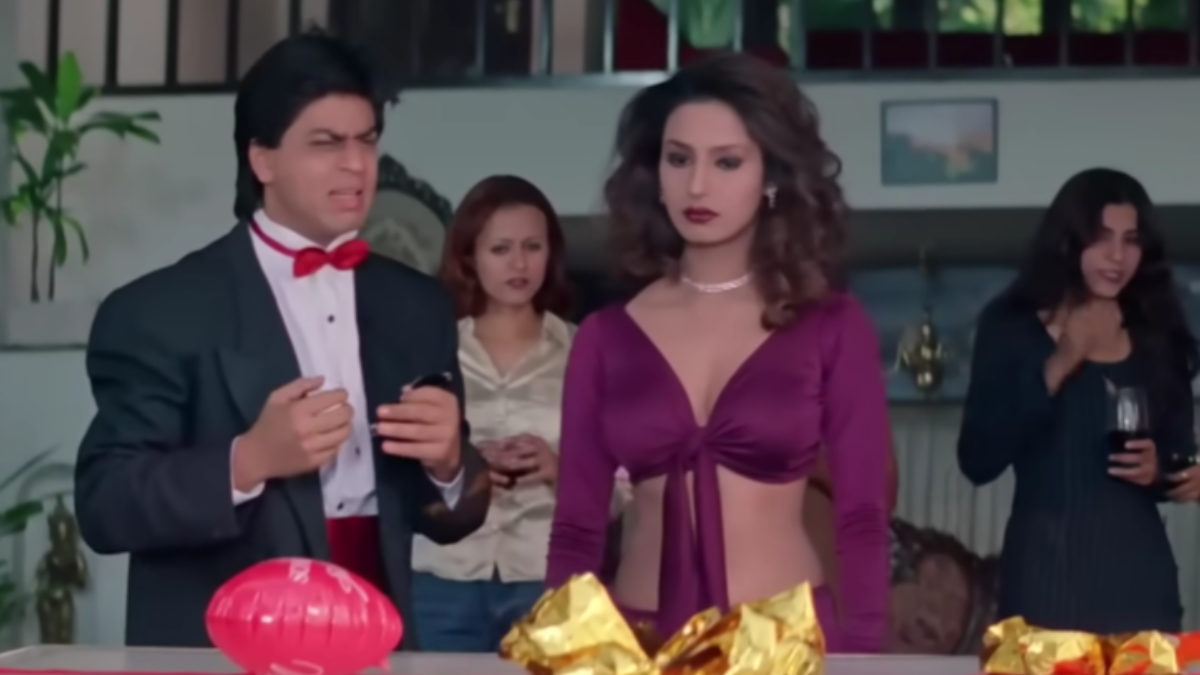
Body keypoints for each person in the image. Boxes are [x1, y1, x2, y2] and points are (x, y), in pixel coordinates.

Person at [73, 33, 489, 648]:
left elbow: (453, 517)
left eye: (367, 140)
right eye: (327, 143)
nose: (357, 164)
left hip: (379, 631)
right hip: (224, 645)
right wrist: (248, 460)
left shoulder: (417, 305)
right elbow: (104, 506)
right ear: (262, 160)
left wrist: (450, 464)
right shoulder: (158, 310)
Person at [545, 53, 892, 653]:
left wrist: (863, 655)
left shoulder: (831, 325)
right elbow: (576, 528)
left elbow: (862, 516)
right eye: (679, 159)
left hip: (786, 643)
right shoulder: (605, 337)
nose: (698, 186)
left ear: (772, 176)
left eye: (727, 162)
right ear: (654, 173)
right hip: (639, 644)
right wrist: (562, 650)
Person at [957, 167, 1199, 634]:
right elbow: (977, 459)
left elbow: (1180, 459)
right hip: (1043, 589)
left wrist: (1166, 471)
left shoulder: (1157, 333)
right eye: (1102, 238)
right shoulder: (1011, 326)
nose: (1117, 256)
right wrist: (1064, 359)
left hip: (1141, 593)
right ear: (1069, 239)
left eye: (1130, 240)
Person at [411, 175, 629, 651]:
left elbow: (628, 491)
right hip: (443, 580)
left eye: (533, 246)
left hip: (548, 579)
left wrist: (559, 470)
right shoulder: (430, 350)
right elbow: (392, 477)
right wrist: (461, 465)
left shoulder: (586, 351)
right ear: (469, 256)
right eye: (500, 249)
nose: (519, 264)